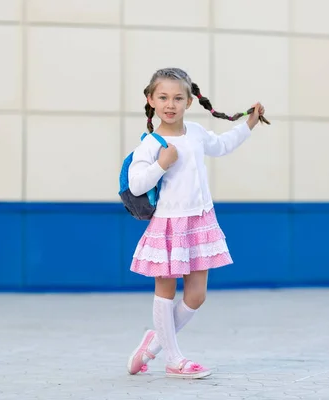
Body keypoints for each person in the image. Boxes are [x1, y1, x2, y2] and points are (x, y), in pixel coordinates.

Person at [125, 67, 267, 379]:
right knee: (165, 290)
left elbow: (223, 145)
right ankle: (173, 359)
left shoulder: (197, 133)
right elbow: (136, 184)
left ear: (189, 102)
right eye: (162, 97)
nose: (170, 104)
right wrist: (161, 164)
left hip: (200, 221)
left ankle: (154, 343)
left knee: (196, 296)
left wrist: (249, 125)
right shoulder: (151, 143)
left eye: (178, 98)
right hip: (168, 224)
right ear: (150, 99)